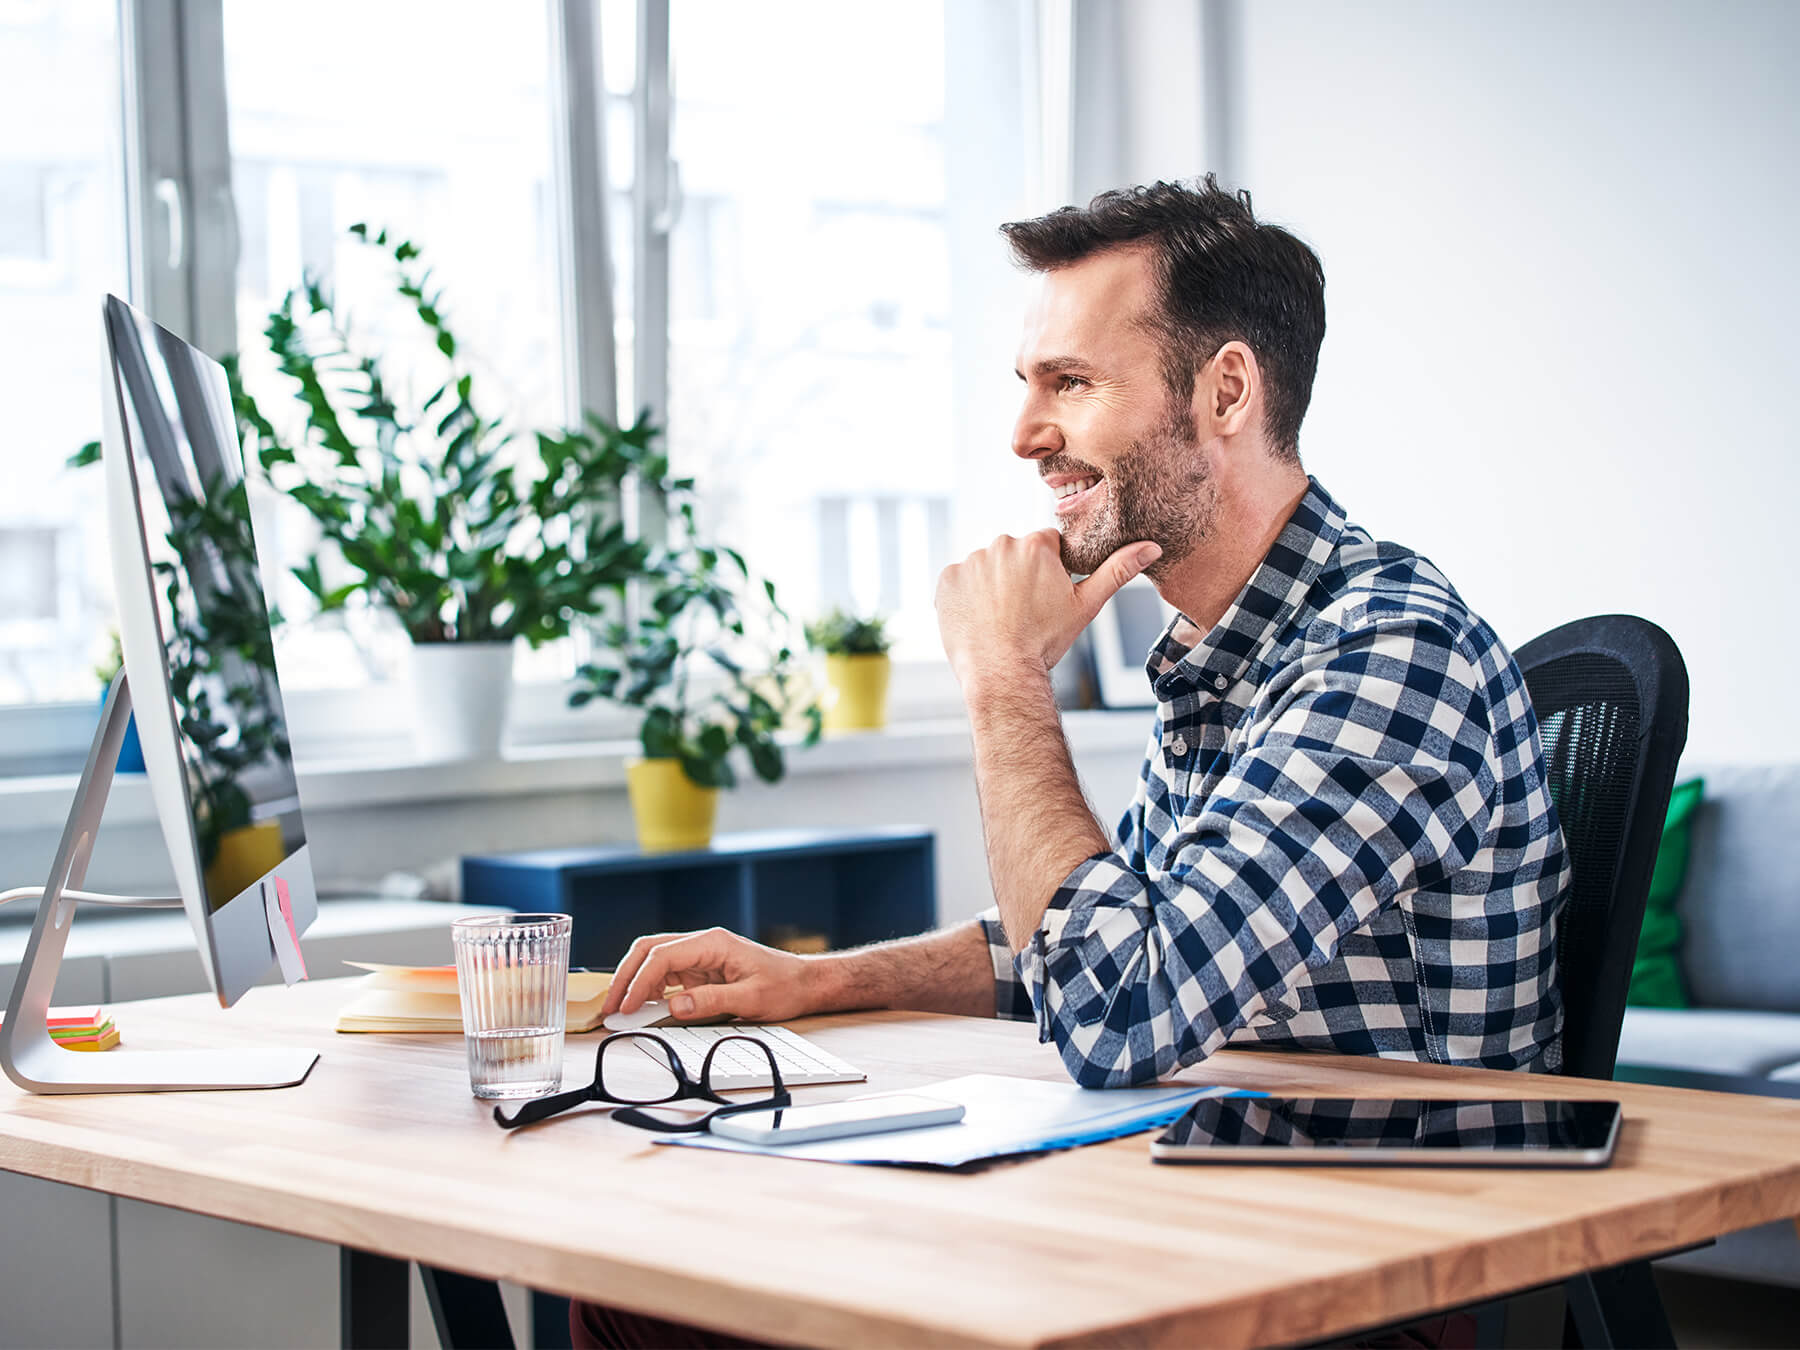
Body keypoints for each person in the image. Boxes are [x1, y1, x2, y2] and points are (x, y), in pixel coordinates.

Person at [574, 177, 1570, 1345]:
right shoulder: (1226, 655)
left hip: (1376, 1276)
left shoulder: (1386, 653)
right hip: (1215, 1210)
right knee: (649, 1286)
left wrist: (1004, 679)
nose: (1024, 434)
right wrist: (821, 982)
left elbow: (1118, 1011)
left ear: (1228, 390)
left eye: (1073, 384)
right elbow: (1092, 943)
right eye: (1029, 385)